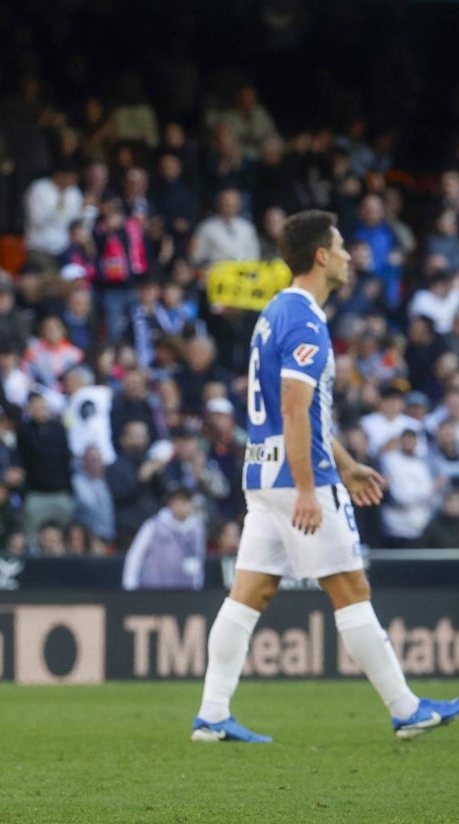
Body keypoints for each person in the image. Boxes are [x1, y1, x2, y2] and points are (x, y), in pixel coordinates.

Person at [191, 209, 459, 744]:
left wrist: (345, 461)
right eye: (339, 246)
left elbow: (302, 413)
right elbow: (294, 408)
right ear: (320, 255)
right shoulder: (306, 319)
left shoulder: (276, 313)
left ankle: (213, 714)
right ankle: (406, 709)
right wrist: (311, 488)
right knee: (351, 588)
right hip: (296, 478)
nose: (347, 256)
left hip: (264, 474)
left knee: (248, 594)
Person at [121, 486, 205, 590]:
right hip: (154, 589)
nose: (184, 506)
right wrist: (130, 585)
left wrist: (197, 586)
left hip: (184, 591)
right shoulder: (154, 525)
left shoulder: (197, 528)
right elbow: (136, 554)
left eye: (187, 502)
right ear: (171, 504)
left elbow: (198, 559)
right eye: (180, 502)